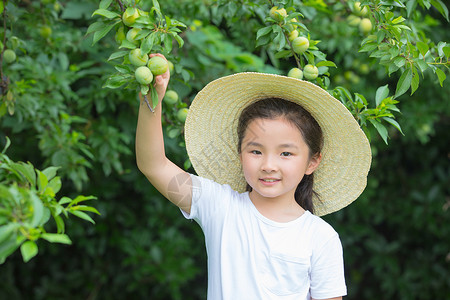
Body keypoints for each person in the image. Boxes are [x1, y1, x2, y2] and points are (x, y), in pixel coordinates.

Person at [136, 54, 372, 300]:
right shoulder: (219, 207)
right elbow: (153, 166)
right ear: (240, 154)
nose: (269, 165)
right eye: (256, 151)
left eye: (286, 153)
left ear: (312, 162)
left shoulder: (320, 238)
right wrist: (151, 101)